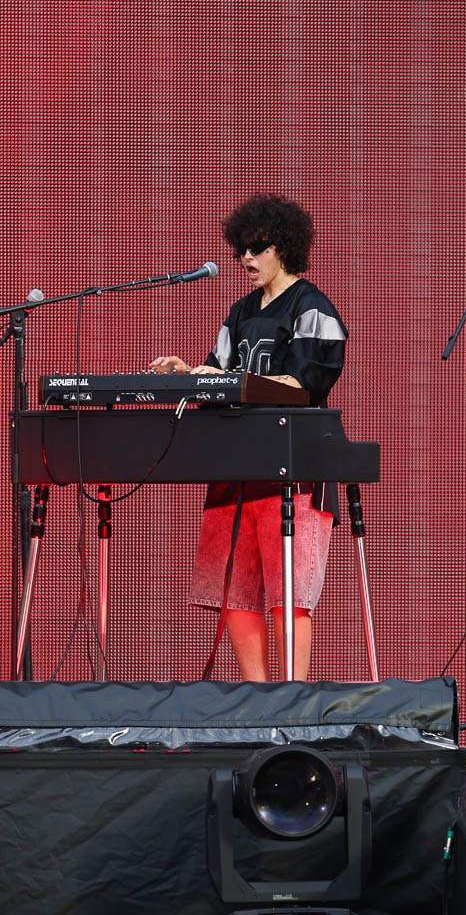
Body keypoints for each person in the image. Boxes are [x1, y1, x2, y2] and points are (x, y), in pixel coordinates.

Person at [150, 194, 347, 681]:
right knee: (235, 590)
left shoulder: (313, 308)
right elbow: (217, 378)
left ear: (284, 248)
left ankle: (291, 703)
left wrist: (233, 383)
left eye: (256, 248)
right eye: (242, 249)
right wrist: (190, 377)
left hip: (293, 470)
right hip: (235, 468)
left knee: (288, 592)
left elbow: (306, 385)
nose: (246, 259)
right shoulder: (237, 314)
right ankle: (256, 703)